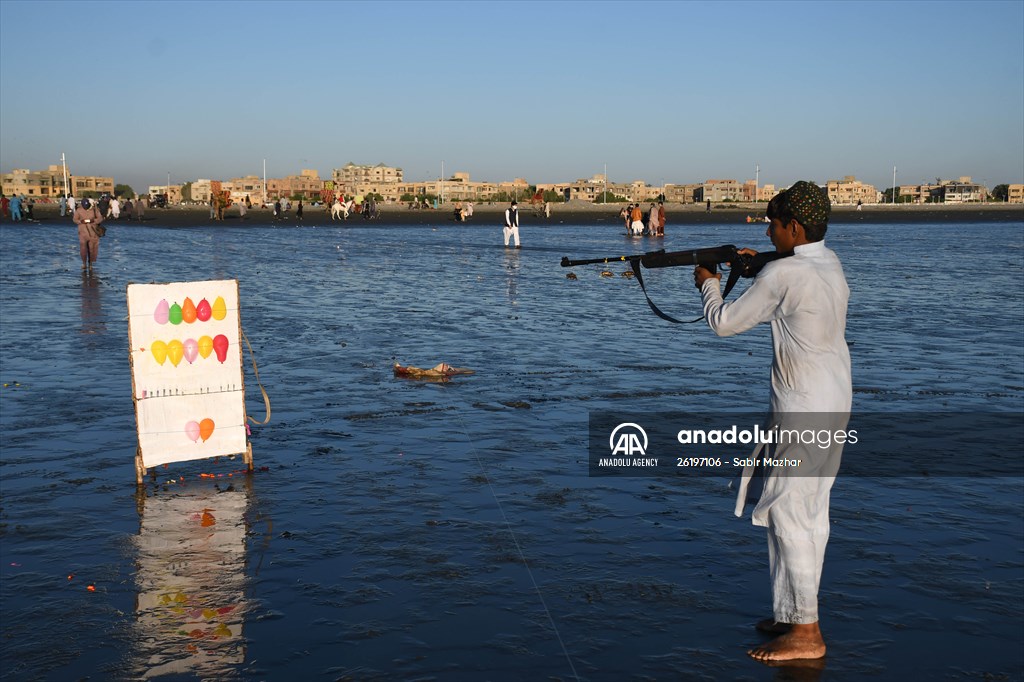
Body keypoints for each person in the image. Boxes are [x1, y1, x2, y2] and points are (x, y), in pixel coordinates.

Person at [693, 181, 850, 663]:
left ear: (795, 227)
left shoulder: (784, 276)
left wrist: (708, 282)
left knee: (788, 513)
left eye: (773, 224)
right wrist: (757, 260)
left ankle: (807, 631)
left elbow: (725, 323)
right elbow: (789, 273)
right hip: (834, 397)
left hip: (802, 407)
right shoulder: (830, 263)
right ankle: (791, 613)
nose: (767, 229)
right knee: (808, 512)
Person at [73, 197, 105, 269]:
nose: (86, 207)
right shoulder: (79, 210)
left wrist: (93, 221)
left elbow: (100, 218)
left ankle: (90, 264)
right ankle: (84, 264)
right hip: (82, 232)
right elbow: (75, 219)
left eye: (87, 206)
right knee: (83, 248)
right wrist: (80, 221)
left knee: (92, 249)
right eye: (84, 206)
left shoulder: (94, 210)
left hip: (93, 232)